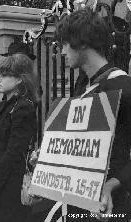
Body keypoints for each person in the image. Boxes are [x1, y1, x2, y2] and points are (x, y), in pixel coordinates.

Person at [55, 7, 131, 221]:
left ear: (82, 42)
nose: (62, 52)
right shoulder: (82, 85)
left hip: (110, 205)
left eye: (65, 44)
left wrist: (111, 185)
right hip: (77, 201)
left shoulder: (123, 85)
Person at [0, 54, 39, 222]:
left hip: (8, 184)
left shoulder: (24, 107)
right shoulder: (1, 106)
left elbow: (14, 152)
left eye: (4, 75)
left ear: (19, 79)